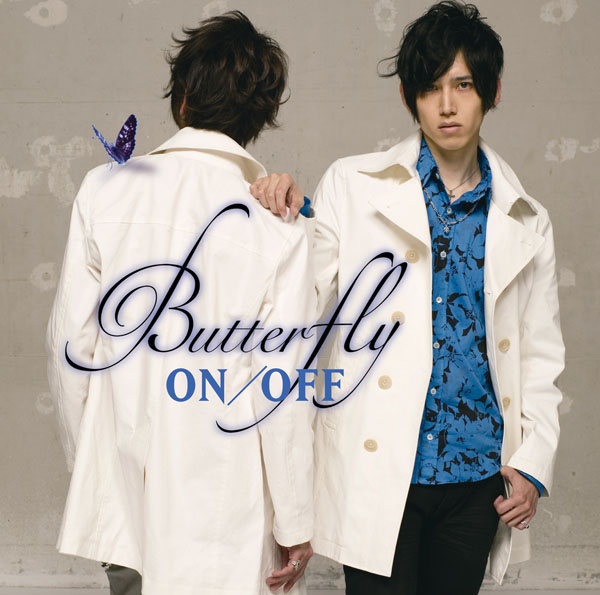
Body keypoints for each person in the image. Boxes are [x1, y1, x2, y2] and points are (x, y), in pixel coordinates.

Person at [250, 2, 565, 593]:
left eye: (463, 85)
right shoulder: (353, 185)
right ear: (408, 98)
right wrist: (282, 214)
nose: (446, 105)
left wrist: (531, 465)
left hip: (478, 476)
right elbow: (301, 297)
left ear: (492, 92)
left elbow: (541, 354)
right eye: (430, 88)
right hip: (379, 467)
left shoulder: (526, 218)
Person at [45, 11, 316, 595]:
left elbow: (71, 352)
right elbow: (280, 388)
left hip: (124, 497)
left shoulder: (103, 190)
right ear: (260, 117)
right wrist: (296, 522)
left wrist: (93, 467)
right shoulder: (279, 226)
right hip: (225, 510)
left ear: (183, 98)